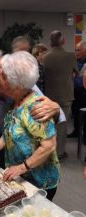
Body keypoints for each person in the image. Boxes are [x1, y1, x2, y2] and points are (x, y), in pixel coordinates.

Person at [0, 51, 60, 201]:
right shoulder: (16, 101)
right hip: (22, 176)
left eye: (3, 76)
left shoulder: (36, 108)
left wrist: (21, 167)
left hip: (40, 181)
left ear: (16, 84)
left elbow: (49, 146)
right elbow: (10, 132)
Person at [0, 49, 65, 170]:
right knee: (1, 172)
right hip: (0, 136)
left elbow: (50, 139)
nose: (2, 72)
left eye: (2, 66)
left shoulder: (22, 84)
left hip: (28, 140)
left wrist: (56, 107)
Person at [42, 30, 78, 161]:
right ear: (62, 41)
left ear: (51, 42)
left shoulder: (45, 57)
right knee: (62, 126)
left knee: (49, 125)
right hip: (66, 96)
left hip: (49, 96)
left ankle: (48, 151)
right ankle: (60, 153)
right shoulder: (71, 56)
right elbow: (76, 73)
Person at [68, 41, 86, 145]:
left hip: (83, 92)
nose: (76, 52)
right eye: (76, 49)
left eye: (78, 50)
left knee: (84, 115)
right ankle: (76, 131)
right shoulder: (75, 61)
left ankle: (84, 135)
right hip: (74, 91)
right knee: (75, 112)